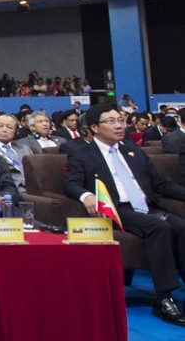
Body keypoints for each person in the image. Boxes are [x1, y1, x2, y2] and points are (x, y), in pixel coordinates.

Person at [65, 104, 185, 326]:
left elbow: (160, 184)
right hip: (117, 210)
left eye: (120, 120)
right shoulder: (82, 154)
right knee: (160, 228)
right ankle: (163, 297)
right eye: (110, 121)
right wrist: (86, 196)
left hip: (147, 208)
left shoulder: (134, 151)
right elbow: (71, 183)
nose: (119, 125)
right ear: (94, 127)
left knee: (181, 226)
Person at [0, 113, 35, 195]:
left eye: (9, 127)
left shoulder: (24, 148)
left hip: (32, 186)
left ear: (15, 131)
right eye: (0, 126)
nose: (4, 130)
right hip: (10, 190)